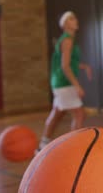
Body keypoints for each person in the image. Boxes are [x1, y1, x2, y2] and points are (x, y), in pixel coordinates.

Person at [37, 11, 92, 152]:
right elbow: (65, 66)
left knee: (57, 113)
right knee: (80, 114)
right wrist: (77, 86)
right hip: (63, 82)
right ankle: (75, 147)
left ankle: (42, 145)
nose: (76, 20)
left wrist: (83, 66)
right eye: (72, 18)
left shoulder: (67, 39)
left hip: (60, 81)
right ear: (66, 23)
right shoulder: (67, 39)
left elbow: (69, 62)